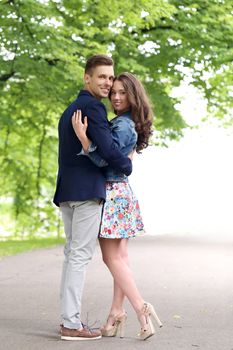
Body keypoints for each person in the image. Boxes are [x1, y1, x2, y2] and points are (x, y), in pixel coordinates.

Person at [72, 72, 163, 340]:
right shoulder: (128, 123)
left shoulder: (122, 126)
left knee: (111, 258)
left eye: (122, 92)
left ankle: (141, 308)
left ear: (133, 95)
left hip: (112, 193)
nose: (116, 97)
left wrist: (84, 139)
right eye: (114, 92)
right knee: (121, 259)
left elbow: (104, 161)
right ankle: (115, 313)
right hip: (121, 192)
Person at [53, 55, 133, 341]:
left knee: (70, 254)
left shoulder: (70, 109)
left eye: (110, 78)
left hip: (67, 190)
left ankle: (67, 317)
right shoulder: (93, 108)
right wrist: (127, 165)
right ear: (87, 77)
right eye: (102, 77)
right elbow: (110, 148)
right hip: (87, 192)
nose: (107, 83)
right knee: (79, 256)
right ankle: (71, 324)